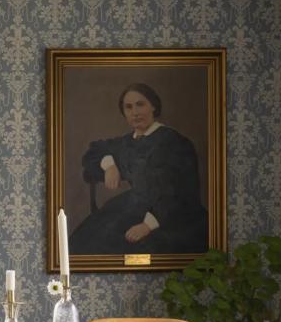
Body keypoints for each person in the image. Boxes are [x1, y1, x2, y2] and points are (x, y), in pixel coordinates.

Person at [69, 82, 207, 254]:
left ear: (153, 106)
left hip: (171, 216)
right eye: (128, 107)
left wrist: (148, 225)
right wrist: (110, 165)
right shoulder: (127, 142)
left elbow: (184, 193)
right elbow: (96, 151)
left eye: (140, 104)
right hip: (132, 207)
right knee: (85, 241)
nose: (135, 112)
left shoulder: (175, 143)